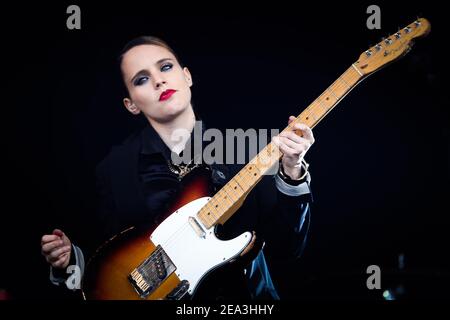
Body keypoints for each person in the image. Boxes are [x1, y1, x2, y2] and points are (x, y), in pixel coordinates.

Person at [41, 36, 315, 300]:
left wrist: (292, 172)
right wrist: (69, 260)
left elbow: (288, 248)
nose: (159, 80)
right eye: (142, 79)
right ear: (131, 104)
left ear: (187, 76)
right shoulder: (114, 171)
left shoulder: (244, 149)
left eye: (166, 67)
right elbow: (110, 262)